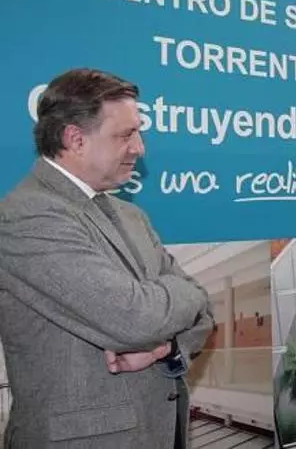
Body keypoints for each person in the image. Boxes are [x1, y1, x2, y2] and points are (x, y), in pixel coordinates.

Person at [0, 68, 214, 448]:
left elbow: (203, 314)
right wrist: (186, 294)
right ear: (75, 139)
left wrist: (165, 348)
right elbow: (137, 319)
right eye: (125, 135)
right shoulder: (25, 216)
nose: (139, 148)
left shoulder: (132, 216)